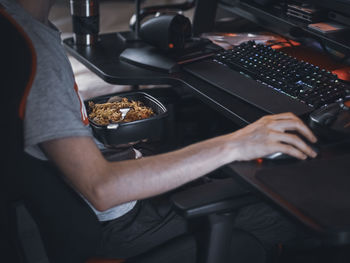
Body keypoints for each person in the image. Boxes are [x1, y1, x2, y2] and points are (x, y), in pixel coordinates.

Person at [2, 0, 318, 260]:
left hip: (87, 214)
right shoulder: (32, 52)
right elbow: (101, 189)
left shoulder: (16, 26)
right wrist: (235, 144)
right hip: (118, 227)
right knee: (296, 209)